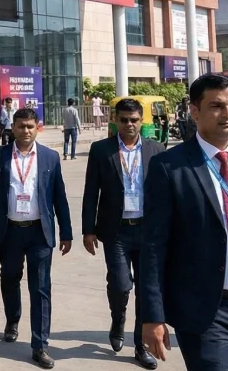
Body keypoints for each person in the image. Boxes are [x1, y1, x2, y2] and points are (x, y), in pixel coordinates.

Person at [141, 74, 228, 370]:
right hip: (207, 311)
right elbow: (153, 245)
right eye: (216, 106)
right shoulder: (170, 166)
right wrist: (152, 315)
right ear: (194, 110)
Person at [0, 108, 73, 369]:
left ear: (37, 127)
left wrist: (66, 231)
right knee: (9, 277)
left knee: (41, 287)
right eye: (21, 126)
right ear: (13, 128)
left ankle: (40, 344)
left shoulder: (50, 157)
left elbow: (59, 198)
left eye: (30, 126)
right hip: (9, 230)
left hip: (39, 232)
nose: (26, 131)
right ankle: (12, 318)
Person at [82, 98, 162, 369]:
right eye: (124, 120)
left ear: (142, 121)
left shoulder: (156, 149)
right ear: (115, 120)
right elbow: (91, 191)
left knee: (146, 289)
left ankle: (139, 345)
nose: (129, 125)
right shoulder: (101, 150)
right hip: (115, 231)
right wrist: (88, 230)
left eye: (134, 120)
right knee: (120, 285)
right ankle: (118, 320)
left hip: (148, 230)